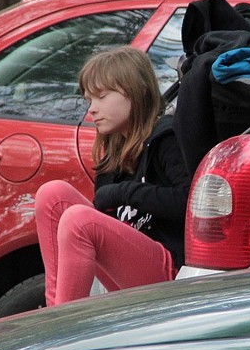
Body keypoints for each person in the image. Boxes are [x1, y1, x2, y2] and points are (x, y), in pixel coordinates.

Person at [35, 46, 191, 306]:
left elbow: (187, 202)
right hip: (127, 268)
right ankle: (56, 311)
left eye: (102, 97)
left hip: (170, 271)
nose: (92, 110)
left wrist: (124, 193)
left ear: (137, 91)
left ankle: (63, 325)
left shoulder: (166, 137)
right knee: (52, 195)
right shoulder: (112, 157)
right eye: (89, 101)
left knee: (80, 219)